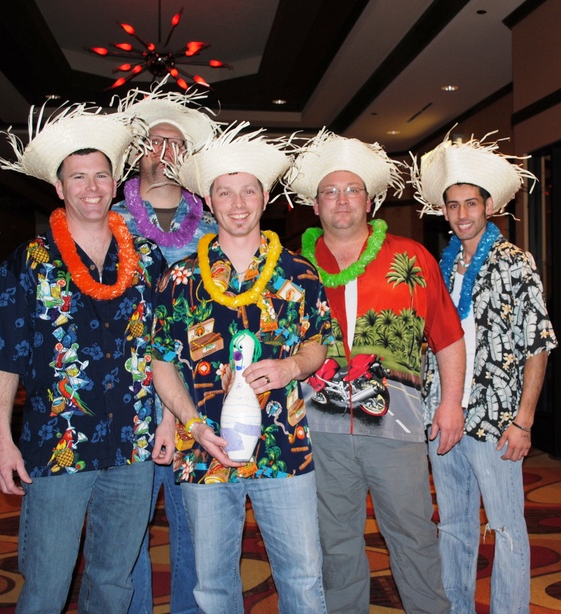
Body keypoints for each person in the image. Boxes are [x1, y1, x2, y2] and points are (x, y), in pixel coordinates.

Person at [0, 104, 166, 613]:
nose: (92, 187)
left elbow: (163, 350)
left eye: (101, 176)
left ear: (115, 184)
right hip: (57, 445)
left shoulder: (147, 259)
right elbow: (4, 356)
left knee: (114, 583)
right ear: (60, 188)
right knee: (46, 584)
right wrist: (2, 439)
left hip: (132, 445)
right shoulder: (29, 263)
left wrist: (168, 422)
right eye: (78, 178)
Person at [150, 123, 333, 613]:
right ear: (208, 201)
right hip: (204, 448)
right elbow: (161, 364)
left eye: (248, 190)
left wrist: (291, 367)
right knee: (211, 586)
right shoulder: (180, 278)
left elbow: (321, 346)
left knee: (303, 578)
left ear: (265, 196)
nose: (237, 203)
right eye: (224, 192)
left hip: (285, 447)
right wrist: (190, 423)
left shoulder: (299, 272)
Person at [284, 130, 465, 614]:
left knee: (414, 536)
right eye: (330, 192)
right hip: (318, 428)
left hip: (397, 426)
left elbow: (447, 336)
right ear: (315, 205)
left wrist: (450, 405)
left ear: (369, 201)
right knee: (336, 545)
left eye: (352, 191)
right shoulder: (294, 266)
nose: (342, 201)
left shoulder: (411, 257)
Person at [411, 131, 558, 612]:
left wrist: (524, 420)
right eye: (452, 206)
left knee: (507, 529)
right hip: (445, 416)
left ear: (488, 205)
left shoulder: (516, 263)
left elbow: (537, 345)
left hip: (497, 422)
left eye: (470, 204)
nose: (461, 215)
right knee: (452, 525)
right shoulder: (443, 266)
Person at [111, 84, 220, 614]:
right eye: (156, 141)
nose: (166, 152)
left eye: (177, 144)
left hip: (196, 394)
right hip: (125, 398)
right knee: (125, 531)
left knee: (196, 528)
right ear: (139, 151)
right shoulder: (105, 221)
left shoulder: (219, 226)